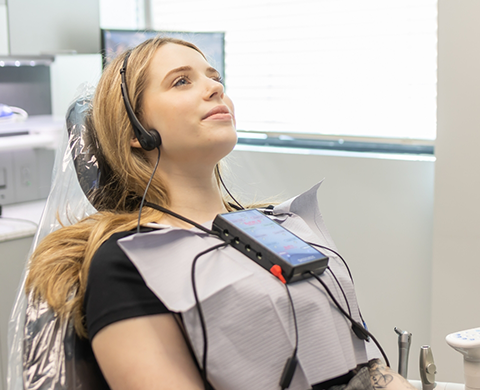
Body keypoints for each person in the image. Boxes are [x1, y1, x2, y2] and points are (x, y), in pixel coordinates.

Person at [24, 37, 416, 390]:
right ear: (136, 130)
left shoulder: (276, 226)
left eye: (215, 78)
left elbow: (357, 360)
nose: (215, 88)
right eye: (182, 81)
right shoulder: (129, 261)